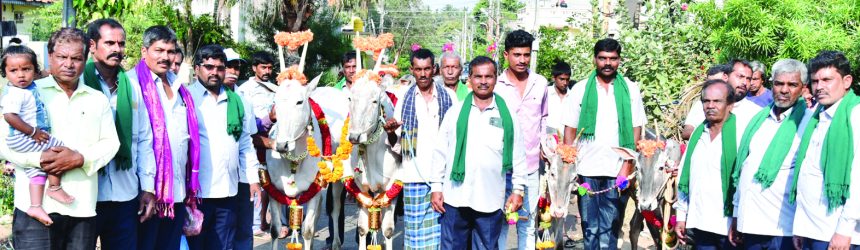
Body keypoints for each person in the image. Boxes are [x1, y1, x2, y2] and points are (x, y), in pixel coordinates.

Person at [4, 27, 119, 250]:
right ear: (50, 57)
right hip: (34, 208)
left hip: (81, 207)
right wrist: (40, 160)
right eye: (62, 57)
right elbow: (3, 143)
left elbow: (110, 143)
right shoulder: (26, 91)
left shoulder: (97, 99)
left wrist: (80, 158)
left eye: (76, 58)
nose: (69, 64)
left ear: (85, 59)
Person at [430, 56, 526, 249]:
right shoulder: (455, 112)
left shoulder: (507, 116)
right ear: (470, 79)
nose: (483, 81)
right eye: (478, 76)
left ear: (495, 78)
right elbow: (440, 152)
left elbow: (518, 156)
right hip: (456, 197)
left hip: (490, 199)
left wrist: (518, 190)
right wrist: (436, 187)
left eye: (488, 76)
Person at [561, 38, 647, 249]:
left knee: (611, 227)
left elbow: (637, 129)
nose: (607, 63)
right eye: (603, 58)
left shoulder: (630, 89)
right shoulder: (580, 89)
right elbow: (570, 129)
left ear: (619, 60)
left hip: (617, 170)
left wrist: (627, 166)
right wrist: (570, 167)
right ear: (595, 59)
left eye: (613, 58)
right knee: (590, 228)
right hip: (585, 169)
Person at [127, 25, 200, 250]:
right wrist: (146, 187)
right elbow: (137, 140)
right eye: (159, 50)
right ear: (144, 51)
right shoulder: (132, 84)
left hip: (176, 192)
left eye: (170, 51)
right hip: (145, 191)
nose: (165, 57)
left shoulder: (180, 87)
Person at [81, 19, 150, 250]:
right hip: (86, 193)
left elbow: (143, 139)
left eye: (121, 44)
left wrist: (147, 187)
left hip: (125, 193)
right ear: (92, 45)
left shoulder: (132, 87)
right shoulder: (79, 84)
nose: (117, 49)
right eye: (109, 42)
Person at [186, 44, 261, 250]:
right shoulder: (186, 98)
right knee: (195, 245)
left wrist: (253, 179)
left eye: (220, 68)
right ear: (197, 68)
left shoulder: (236, 101)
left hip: (228, 191)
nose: (215, 73)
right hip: (196, 192)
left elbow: (245, 143)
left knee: (223, 245)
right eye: (209, 67)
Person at [382, 48, 456, 249]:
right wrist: (390, 131)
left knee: (443, 236)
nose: (423, 74)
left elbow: (456, 137)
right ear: (412, 70)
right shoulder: (405, 97)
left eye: (427, 69)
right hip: (414, 176)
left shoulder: (449, 96)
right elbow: (397, 143)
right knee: (415, 237)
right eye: (418, 69)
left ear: (434, 69)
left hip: (444, 178)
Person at [732, 59, 809, 249]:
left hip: (784, 229)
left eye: (792, 84)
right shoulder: (758, 120)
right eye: (778, 83)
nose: (784, 90)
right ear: (771, 84)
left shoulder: (808, 124)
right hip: (750, 224)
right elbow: (745, 168)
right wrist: (736, 215)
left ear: (803, 88)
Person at [791, 50, 860, 249]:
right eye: (815, 81)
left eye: (827, 80)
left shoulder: (855, 116)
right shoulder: (816, 116)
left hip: (838, 234)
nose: (819, 87)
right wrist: (801, 227)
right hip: (812, 229)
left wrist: (844, 230)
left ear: (847, 81)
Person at [493, 29, 548, 250]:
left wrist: (546, 145)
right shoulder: (495, 85)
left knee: (528, 221)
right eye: (517, 55)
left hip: (531, 166)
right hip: (500, 167)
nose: (522, 60)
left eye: (526, 55)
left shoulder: (541, 83)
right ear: (506, 55)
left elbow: (544, 118)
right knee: (500, 221)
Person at [1, 45, 67, 226]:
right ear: (5, 73)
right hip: (23, 137)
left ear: (35, 71)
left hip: (25, 138)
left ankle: (35, 205)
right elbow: (9, 116)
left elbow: (44, 74)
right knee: (59, 150)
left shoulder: (29, 86)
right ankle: (54, 187)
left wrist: (48, 72)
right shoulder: (15, 93)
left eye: (26, 69)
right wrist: (33, 132)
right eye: (13, 71)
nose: (20, 75)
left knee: (36, 171)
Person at [674, 79, 743, 249]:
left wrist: (738, 219)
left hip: (728, 226)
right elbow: (685, 177)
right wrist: (681, 216)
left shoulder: (741, 134)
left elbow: (744, 183)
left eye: (717, 101)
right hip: (700, 223)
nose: (710, 106)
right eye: (706, 101)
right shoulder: (698, 134)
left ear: (730, 105)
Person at [683, 59, 761, 140]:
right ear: (725, 77)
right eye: (740, 76)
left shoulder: (756, 113)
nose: (745, 83)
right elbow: (687, 132)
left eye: (748, 79)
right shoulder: (706, 104)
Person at [547, 61, 572, 137]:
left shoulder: (573, 96)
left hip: (566, 141)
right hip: (547, 139)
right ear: (554, 78)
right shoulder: (546, 93)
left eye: (567, 79)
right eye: (561, 79)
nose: (565, 83)